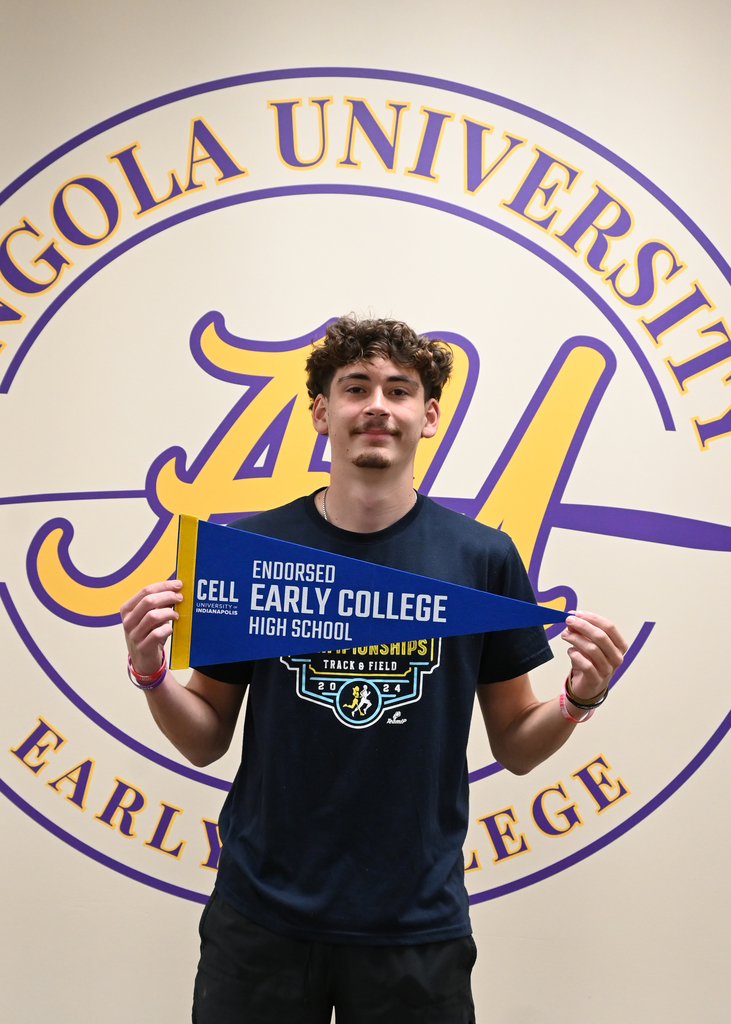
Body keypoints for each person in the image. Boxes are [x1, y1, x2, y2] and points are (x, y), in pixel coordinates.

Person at [121, 316, 627, 1024]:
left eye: (399, 389)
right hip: (261, 918)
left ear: (429, 416)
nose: (377, 406)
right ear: (322, 412)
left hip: (415, 924)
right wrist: (150, 675)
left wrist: (580, 698)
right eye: (355, 388)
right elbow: (205, 737)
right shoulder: (249, 550)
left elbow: (514, 741)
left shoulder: (481, 558)